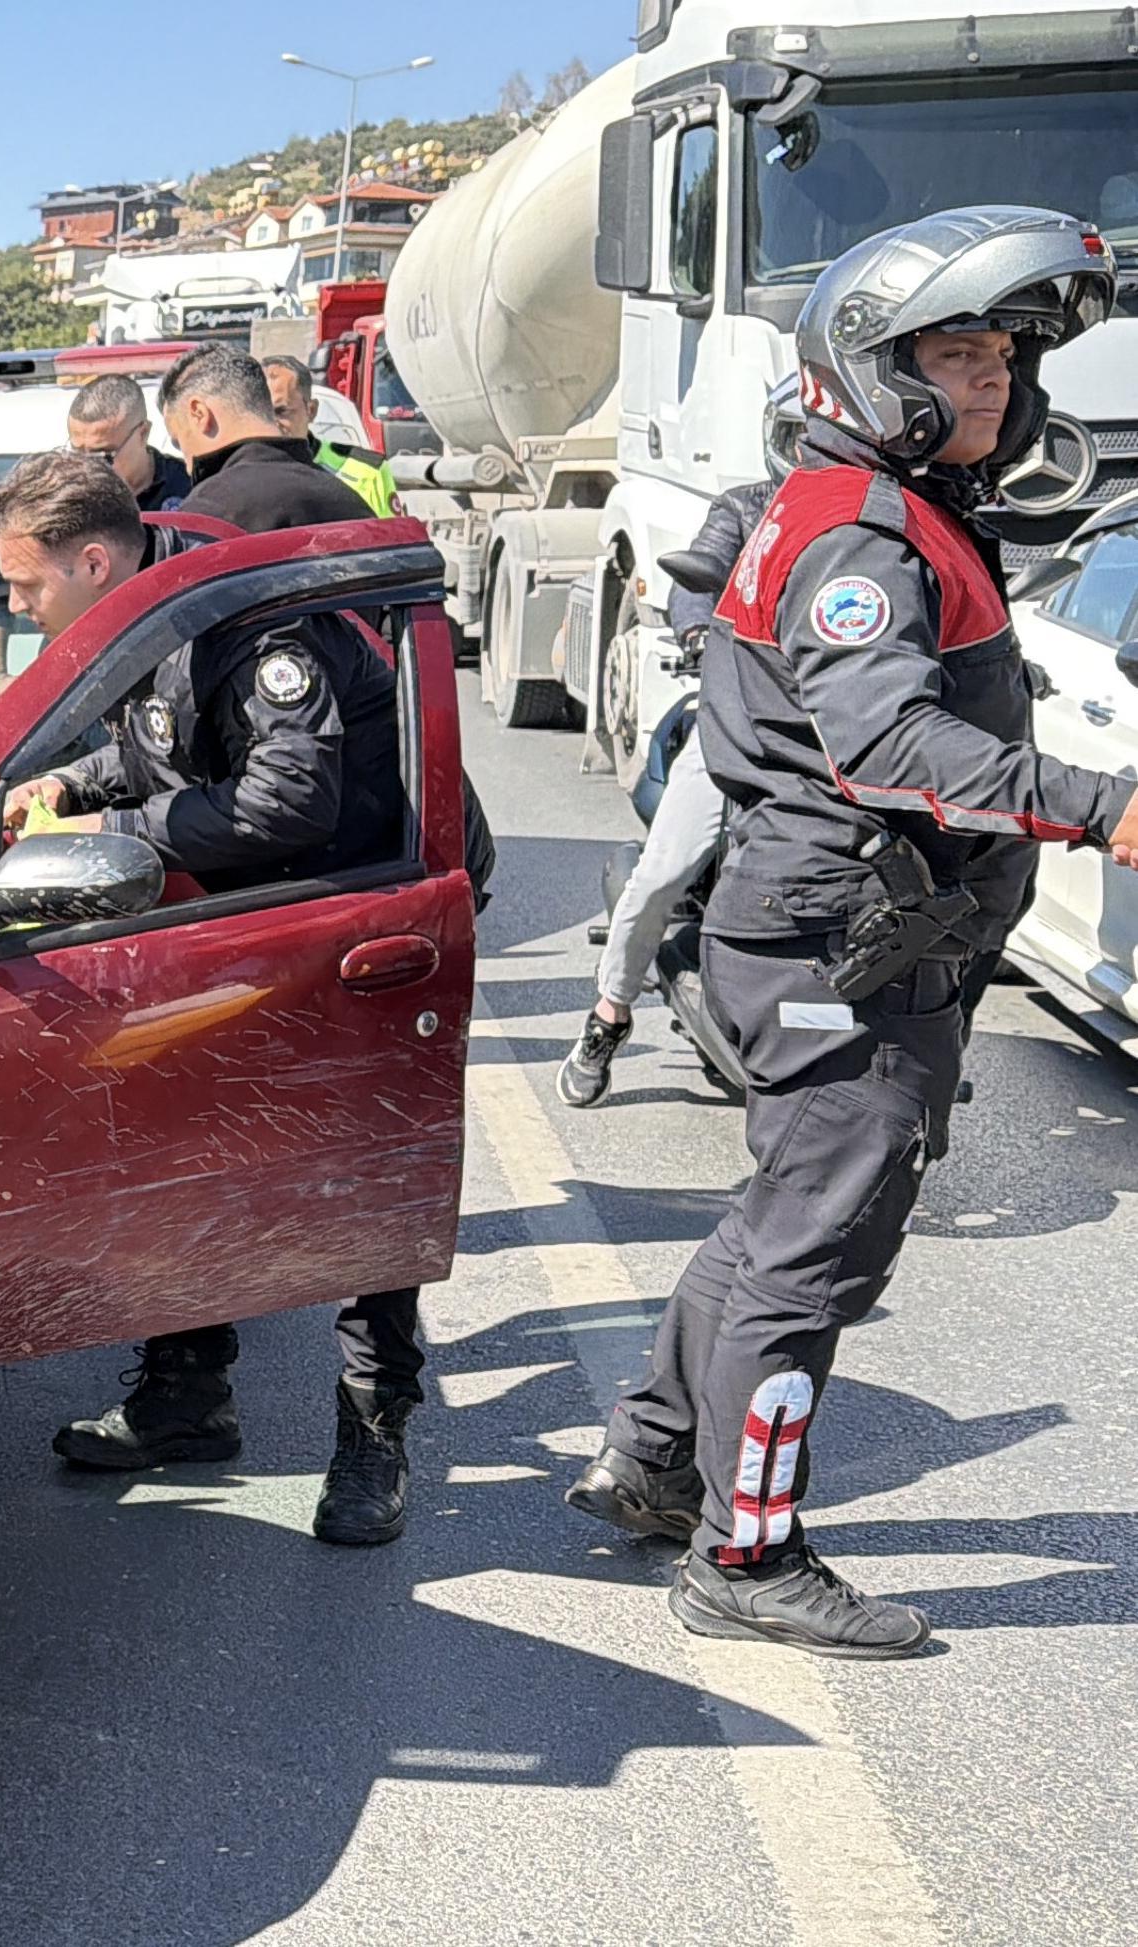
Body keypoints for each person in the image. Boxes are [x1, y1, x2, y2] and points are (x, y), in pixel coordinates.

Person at [567, 207, 1138, 1658]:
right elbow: (889, 749)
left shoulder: (885, 506)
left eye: (1006, 353)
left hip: (842, 924)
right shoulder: (856, 533)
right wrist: (1100, 802)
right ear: (875, 366)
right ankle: (746, 1555)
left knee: (774, 1219)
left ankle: (652, 1461)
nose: (996, 379)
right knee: (817, 1252)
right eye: (960, 351)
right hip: (841, 935)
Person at [0, 452, 424, 1543]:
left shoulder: (248, 630)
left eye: (26, 585)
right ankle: (186, 1398)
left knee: (362, 1191)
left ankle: (373, 1444)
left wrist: (107, 832)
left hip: (353, 921)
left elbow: (286, 802)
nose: (13, 606)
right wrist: (73, 786)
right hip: (237, 921)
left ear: (92, 559)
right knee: (190, 1152)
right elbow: (161, 752)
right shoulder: (147, 610)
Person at [560, 378, 804, 1108]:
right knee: (664, 872)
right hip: (745, 722)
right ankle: (607, 1014)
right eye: (799, 437)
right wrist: (699, 626)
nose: (814, 453)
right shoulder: (745, 511)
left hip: (846, 734)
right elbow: (696, 579)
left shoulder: (874, 516)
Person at [162, 344, 377, 532]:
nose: (188, 467)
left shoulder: (206, 514)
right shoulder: (347, 499)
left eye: (179, 442)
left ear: (199, 413)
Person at [261, 352, 397, 517]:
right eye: (261, 414)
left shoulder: (367, 472)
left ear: (311, 411)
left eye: (281, 412)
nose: (270, 423)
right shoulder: (235, 475)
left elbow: (393, 539)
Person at [64, 372, 189, 512]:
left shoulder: (189, 487)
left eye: (102, 456)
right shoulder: (64, 498)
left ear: (143, 434)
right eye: (76, 455)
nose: (86, 468)